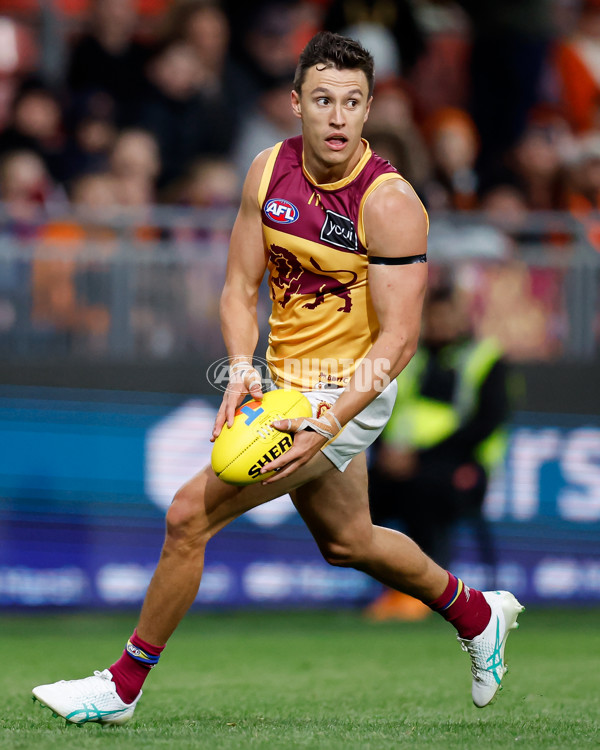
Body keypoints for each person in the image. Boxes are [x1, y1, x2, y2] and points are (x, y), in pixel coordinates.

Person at [32, 31, 524, 726]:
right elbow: (236, 288)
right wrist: (240, 369)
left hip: (349, 388)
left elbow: (400, 338)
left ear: (368, 109)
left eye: (352, 102)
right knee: (348, 540)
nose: (336, 116)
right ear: (295, 103)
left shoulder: (388, 204)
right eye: (322, 99)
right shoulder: (267, 172)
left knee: (187, 516)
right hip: (284, 381)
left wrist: (328, 419)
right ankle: (478, 614)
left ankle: (122, 686)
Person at [366, 286, 510, 621]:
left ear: (463, 318)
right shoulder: (412, 356)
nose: (440, 323)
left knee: (424, 493)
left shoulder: (486, 357)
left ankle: (421, 593)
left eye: (448, 316)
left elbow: (487, 421)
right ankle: (392, 587)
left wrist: (421, 459)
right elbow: (384, 409)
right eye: (434, 316)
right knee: (357, 495)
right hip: (399, 463)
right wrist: (386, 451)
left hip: (463, 468)